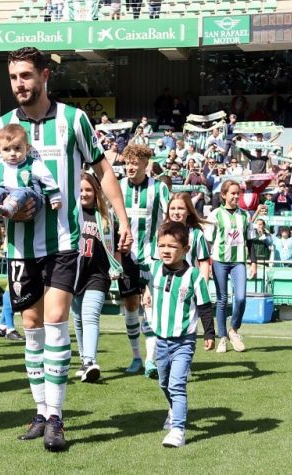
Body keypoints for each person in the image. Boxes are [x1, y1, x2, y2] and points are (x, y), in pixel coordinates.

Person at [0, 47, 132, 452]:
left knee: (56, 317)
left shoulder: (73, 120)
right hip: (19, 245)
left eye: (26, 76)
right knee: (31, 327)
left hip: (64, 241)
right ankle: (41, 411)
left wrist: (123, 219)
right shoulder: (0, 129)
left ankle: (58, 419)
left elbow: (103, 170)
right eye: (14, 78)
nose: (19, 85)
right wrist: (2, 206)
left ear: (45, 76)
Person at [141, 222, 213, 448]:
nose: (165, 250)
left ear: (185, 249)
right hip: (160, 340)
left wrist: (209, 333)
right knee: (164, 382)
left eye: (172, 246)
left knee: (177, 384)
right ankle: (173, 409)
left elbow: (204, 306)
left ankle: (178, 430)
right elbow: (137, 276)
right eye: (161, 245)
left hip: (184, 341)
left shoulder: (194, 276)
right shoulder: (153, 270)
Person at [118, 143, 170, 378]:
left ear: (145, 165)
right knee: (130, 305)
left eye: (135, 163)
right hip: (126, 256)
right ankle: (136, 356)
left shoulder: (159, 189)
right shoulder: (118, 187)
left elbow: (171, 218)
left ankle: (151, 359)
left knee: (149, 306)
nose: (130, 167)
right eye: (128, 162)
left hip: (152, 256)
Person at [72, 173, 122, 383]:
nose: (84, 194)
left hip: (98, 275)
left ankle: (90, 360)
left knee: (91, 316)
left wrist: (116, 266)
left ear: (96, 193)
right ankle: (85, 360)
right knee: (78, 320)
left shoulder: (106, 217)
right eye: (80, 190)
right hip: (73, 274)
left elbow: (118, 246)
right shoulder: (69, 215)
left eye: (89, 190)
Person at [0, 125, 62, 220]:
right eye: (6, 149)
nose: (12, 153)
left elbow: (47, 178)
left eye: (17, 148)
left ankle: (9, 209)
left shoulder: (33, 164)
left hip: (32, 201)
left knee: (22, 190)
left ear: (27, 148)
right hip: (8, 199)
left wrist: (55, 198)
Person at [159, 192, 214, 350]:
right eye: (173, 208)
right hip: (166, 284)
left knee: (186, 322)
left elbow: (203, 262)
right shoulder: (162, 232)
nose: (176, 212)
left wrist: (202, 285)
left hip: (186, 286)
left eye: (181, 208)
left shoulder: (196, 235)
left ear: (189, 211)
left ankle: (184, 359)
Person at [209, 180, 249, 353]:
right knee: (222, 299)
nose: (235, 196)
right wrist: (207, 263)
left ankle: (234, 330)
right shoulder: (215, 214)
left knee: (240, 297)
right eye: (232, 193)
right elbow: (209, 241)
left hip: (239, 260)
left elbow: (251, 240)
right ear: (224, 195)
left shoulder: (245, 215)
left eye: (237, 193)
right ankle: (223, 337)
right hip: (219, 260)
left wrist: (253, 262)